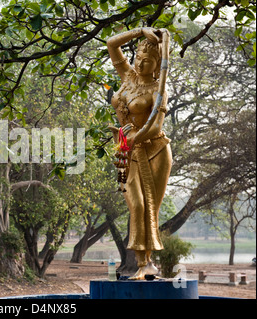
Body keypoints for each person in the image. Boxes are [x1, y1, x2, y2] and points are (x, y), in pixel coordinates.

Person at [107, 27, 172, 280]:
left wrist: (137, 136)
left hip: (154, 150)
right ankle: (141, 261)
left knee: (148, 207)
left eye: (148, 61)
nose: (140, 63)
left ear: (157, 65)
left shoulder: (159, 89)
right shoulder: (127, 77)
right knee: (135, 203)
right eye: (138, 58)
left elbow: (156, 125)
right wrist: (139, 32)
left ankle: (146, 263)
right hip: (125, 150)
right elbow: (111, 44)